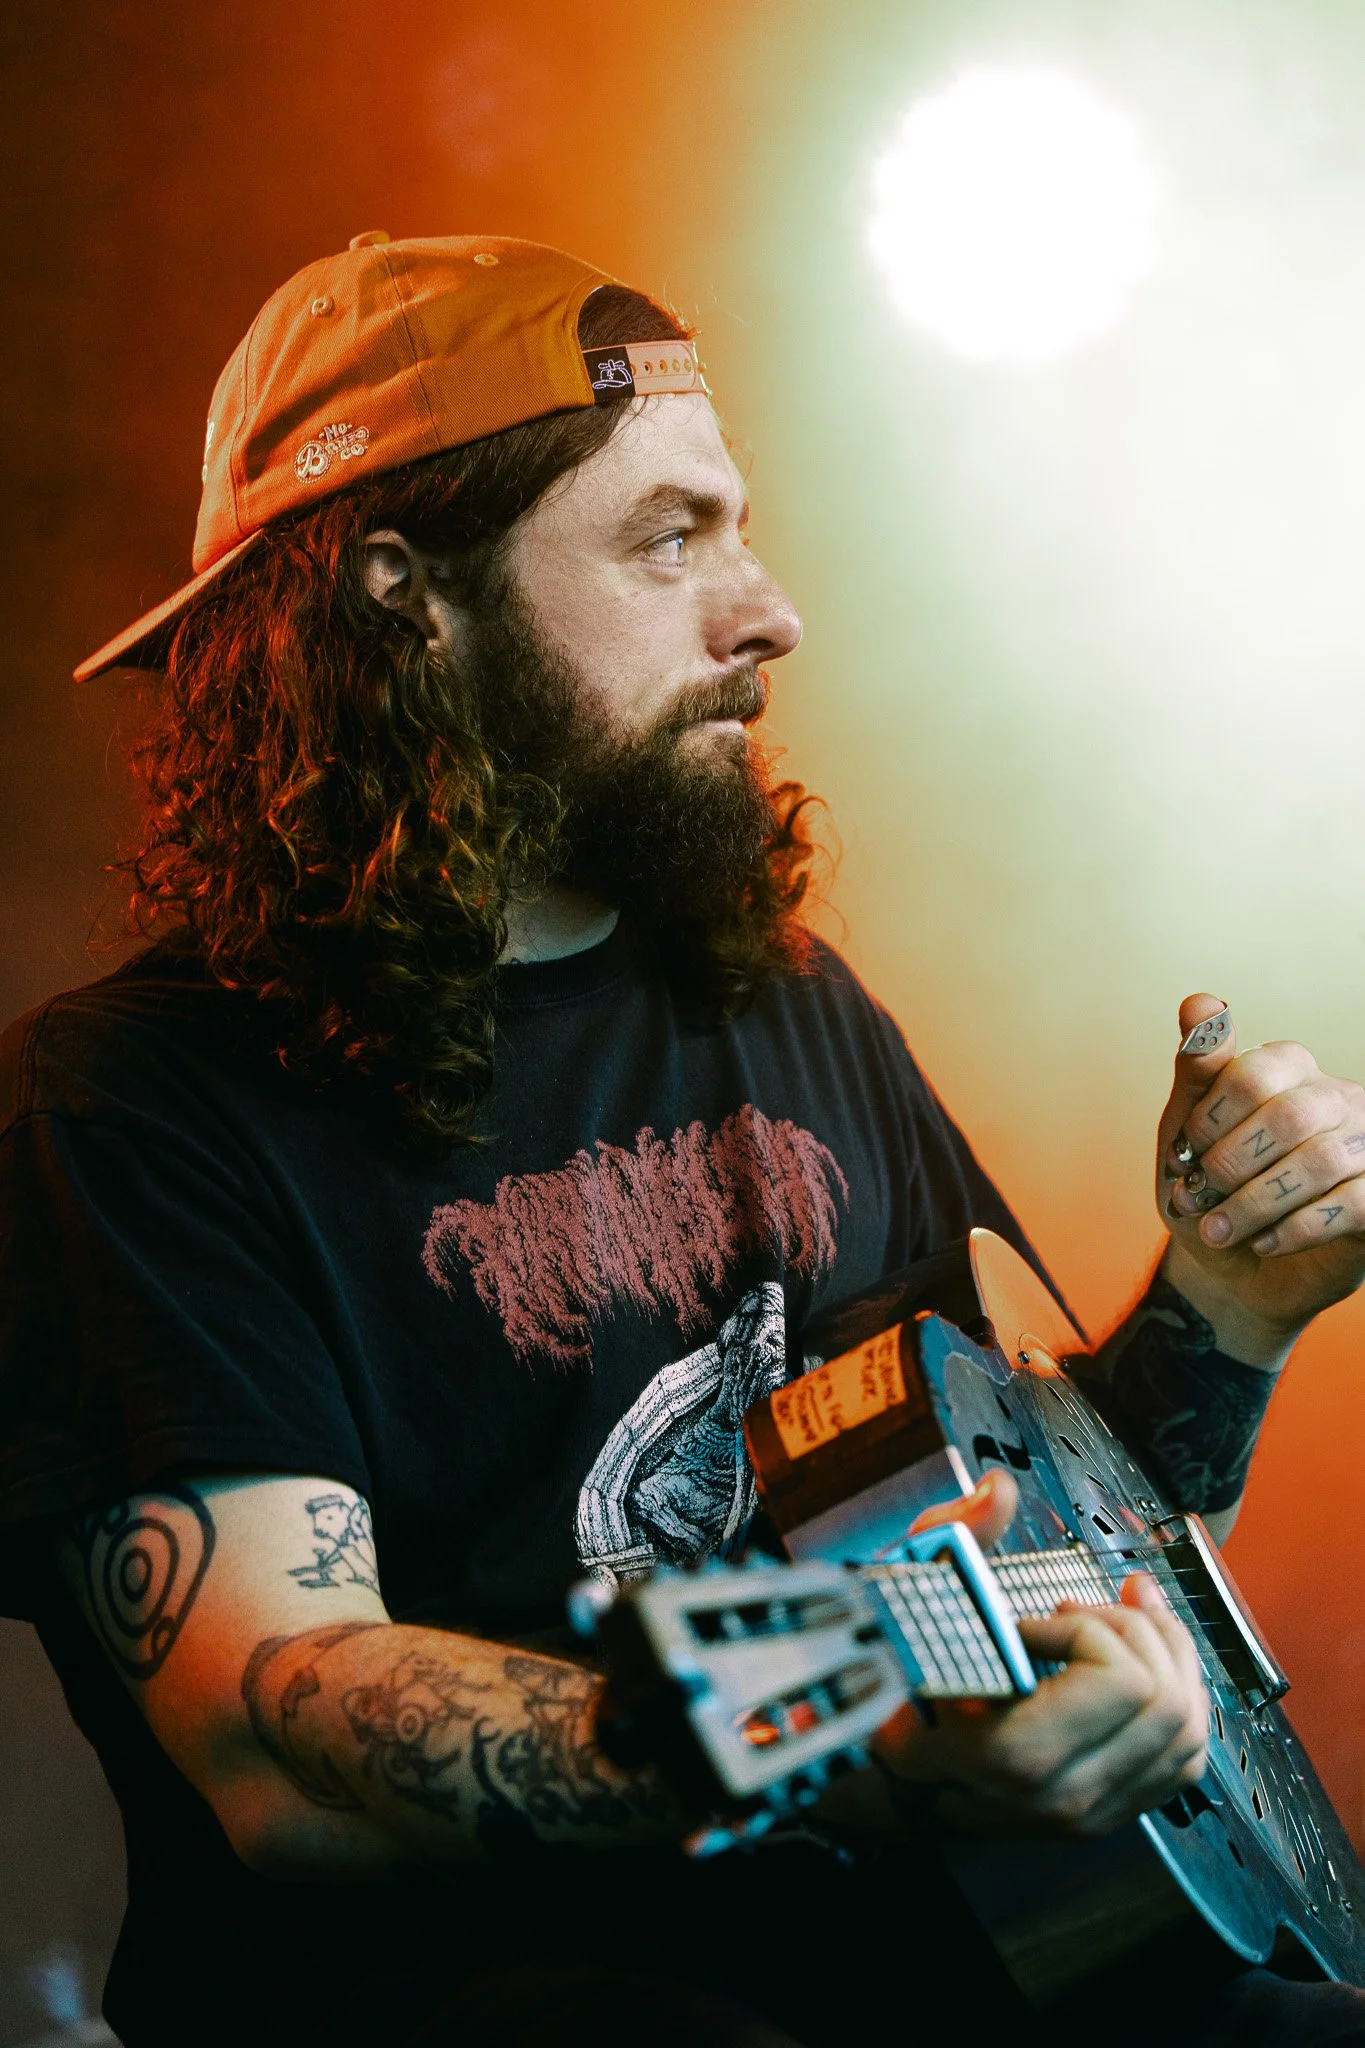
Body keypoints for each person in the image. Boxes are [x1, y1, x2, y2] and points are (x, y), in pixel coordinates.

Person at [2, 231, 1365, 2048]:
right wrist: (854, 1740)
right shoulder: (128, 1107)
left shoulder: (786, 999)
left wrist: (1230, 1308)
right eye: (669, 538)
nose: (770, 607)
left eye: (739, 525)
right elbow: (281, 1733)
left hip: (963, 1959)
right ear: (408, 595)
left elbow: (1051, 1520)